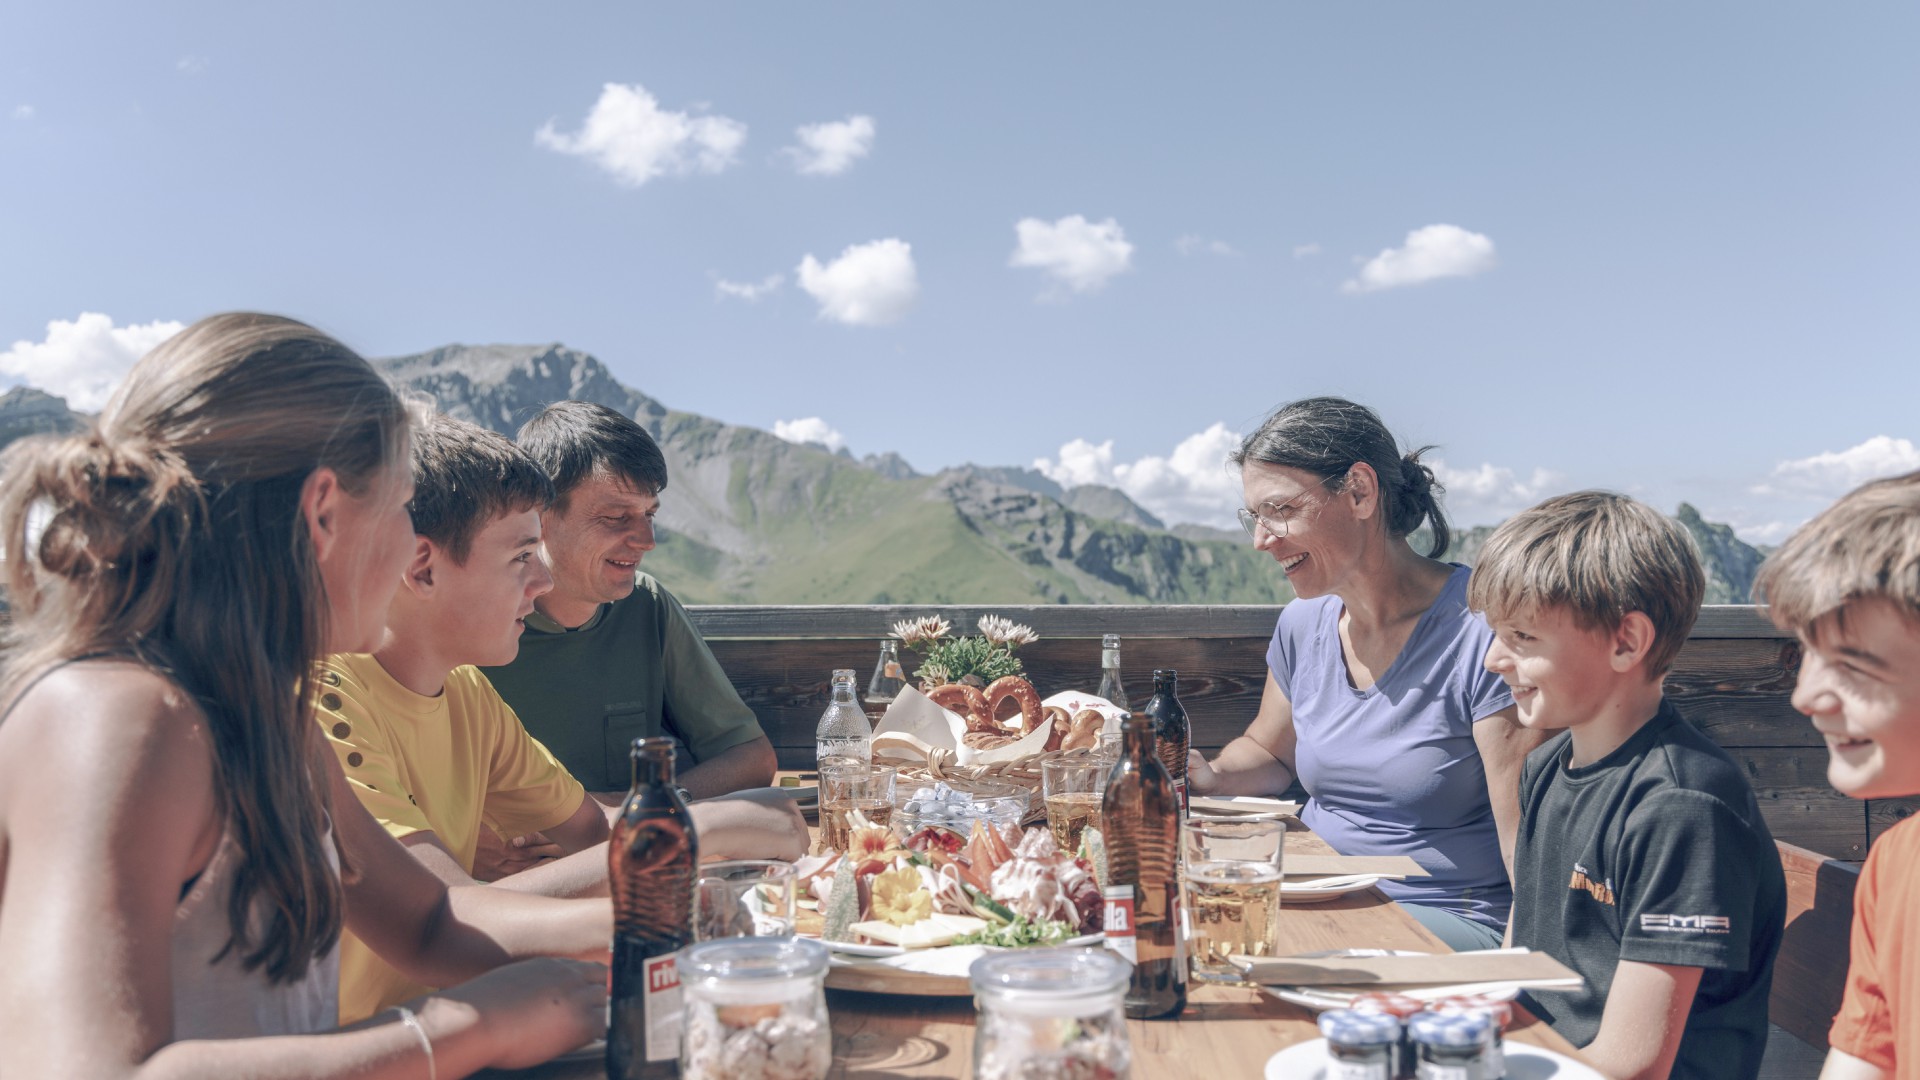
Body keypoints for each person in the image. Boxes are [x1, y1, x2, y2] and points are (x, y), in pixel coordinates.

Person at [0, 314, 607, 1077]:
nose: (407, 544)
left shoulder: (269, 715)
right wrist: (460, 1032)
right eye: (401, 506)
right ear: (324, 513)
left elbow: (426, 920)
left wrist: (666, 923)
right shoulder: (116, 720)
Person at [320, 412, 807, 1022]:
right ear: (421, 568)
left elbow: (596, 830)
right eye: (523, 554)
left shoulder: (468, 692)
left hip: (486, 1023)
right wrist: (700, 835)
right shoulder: (323, 701)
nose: (542, 578)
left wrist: (708, 829)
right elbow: (444, 919)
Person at [1187, 397, 1541, 950]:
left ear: (1359, 491)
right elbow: (1272, 751)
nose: (1261, 539)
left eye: (1279, 510)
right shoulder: (1304, 624)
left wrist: (1513, 987)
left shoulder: (1484, 634)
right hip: (1318, 895)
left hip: (1448, 914)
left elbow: (1530, 850)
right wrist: (1206, 776)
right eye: (1253, 517)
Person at [1475, 491, 1786, 1080]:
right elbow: (1522, 951)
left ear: (1626, 642)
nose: (1494, 659)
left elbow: (1633, 1064)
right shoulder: (1548, 766)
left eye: (1522, 637)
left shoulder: (1681, 807)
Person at [480, 400, 776, 806]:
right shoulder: (474, 620)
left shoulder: (647, 604)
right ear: (541, 517)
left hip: (630, 851)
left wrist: (646, 807)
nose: (646, 540)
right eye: (617, 517)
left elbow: (750, 757)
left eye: (649, 515)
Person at [1752, 471, 1920, 1080]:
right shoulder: (1899, 861)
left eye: (1850, 663)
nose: (1805, 696)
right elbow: (1864, 1058)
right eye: (1805, 654)